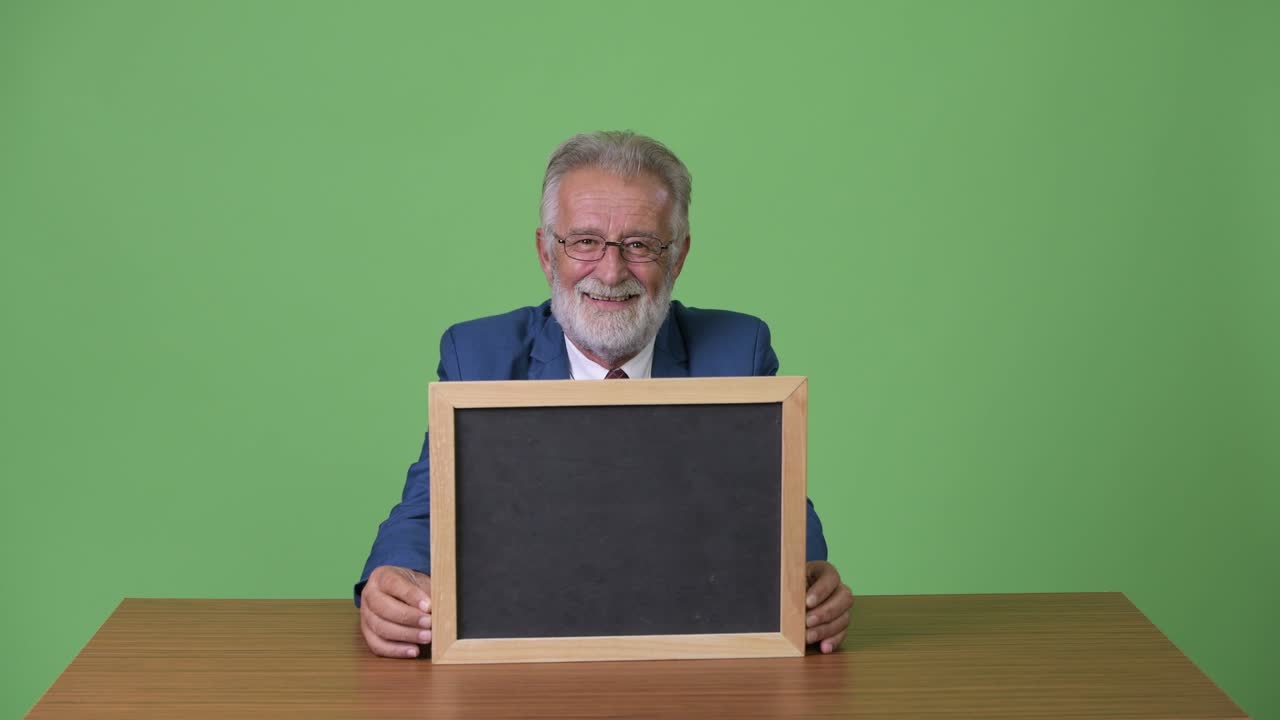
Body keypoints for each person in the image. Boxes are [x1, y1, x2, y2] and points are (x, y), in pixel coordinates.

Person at [356, 131, 854, 658]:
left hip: (686, 655)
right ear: (548, 254)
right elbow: (427, 506)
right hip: (528, 658)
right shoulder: (478, 355)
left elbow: (779, 512)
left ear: (678, 257)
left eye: (640, 244)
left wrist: (811, 586)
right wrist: (390, 581)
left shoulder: (738, 350)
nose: (612, 272)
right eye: (585, 242)